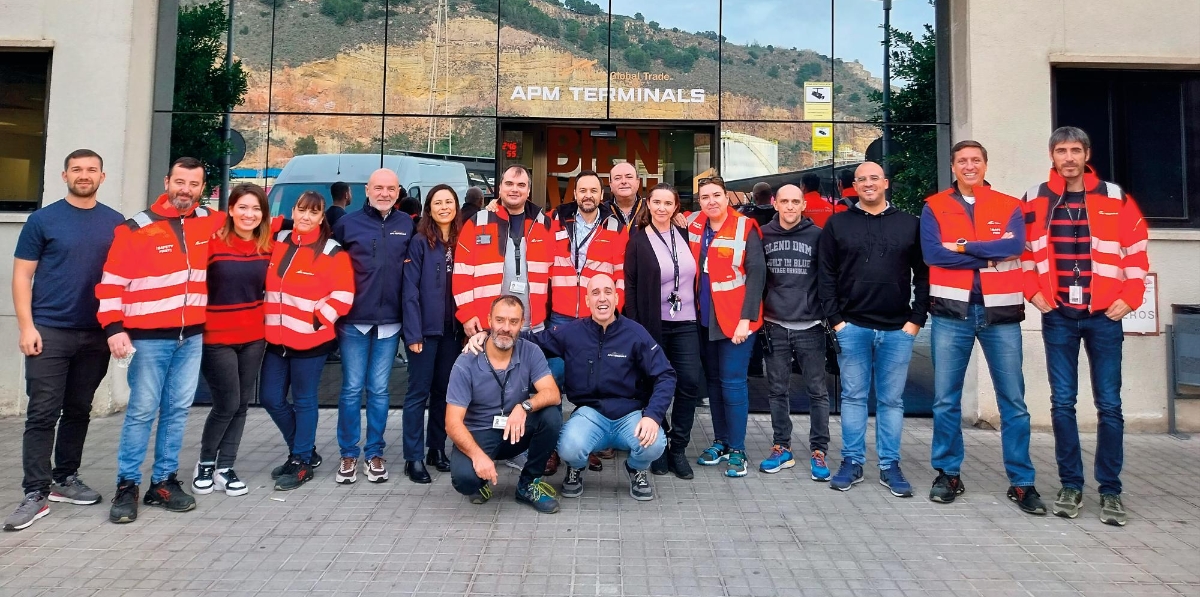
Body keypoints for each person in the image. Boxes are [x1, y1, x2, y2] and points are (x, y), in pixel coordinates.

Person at [1021, 126, 1149, 527]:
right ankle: (1071, 485)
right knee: (1062, 403)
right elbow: (1022, 252)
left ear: (1086, 154)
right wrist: (1033, 292)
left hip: (1103, 315)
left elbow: (1137, 252)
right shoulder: (1036, 198)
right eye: (1062, 150)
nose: (1069, 157)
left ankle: (1110, 491)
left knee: (1109, 405)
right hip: (1058, 314)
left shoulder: (1115, 197)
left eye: (1076, 150)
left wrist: (1131, 298)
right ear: (1052, 155)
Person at [97, 157, 226, 524]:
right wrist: (113, 327)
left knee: (177, 411)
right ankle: (127, 485)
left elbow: (252, 221)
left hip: (191, 337)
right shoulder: (135, 228)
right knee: (141, 411)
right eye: (180, 182)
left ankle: (164, 482)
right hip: (149, 339)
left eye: (194, 185)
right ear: (168, 181)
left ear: (203, 189)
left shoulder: (207, 221)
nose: (186, 190)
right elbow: (111, 283)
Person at [467, 275, 675, 501]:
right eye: (595, 293)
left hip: (630, 416)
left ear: (617, 297)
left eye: (607, 292)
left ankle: (636, 468)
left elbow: (666, 374)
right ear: (587, 301)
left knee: (655, 444)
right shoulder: (573, 332)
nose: (602, 298)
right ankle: (576, 467)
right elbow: (531, 341)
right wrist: (487, 336)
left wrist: (653, 416)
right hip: (590, 414)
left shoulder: (636, 334)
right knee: (568, 446)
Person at [921, 141, 1044, 515]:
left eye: (976, 160)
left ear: (986, 164)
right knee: (945, 399)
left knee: (1014, 402)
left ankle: (1022, 482)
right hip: (950, 313)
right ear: (953, 166)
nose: (969, 166)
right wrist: (986, 253)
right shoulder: (934, 206)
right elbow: (932, 254)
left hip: (1000, 315)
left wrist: (960, 247)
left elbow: (1016, 247)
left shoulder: (1010, 206)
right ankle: (948, 474)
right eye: (962, 161)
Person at [4, 150, 124, 532]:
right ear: (64, 175)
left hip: (95, 333)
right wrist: (27, 327)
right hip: (50, 330)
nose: (84, 175)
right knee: (42, 412)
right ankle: (35, 492)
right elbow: (22, 276)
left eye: (91, 170)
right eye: (77, 170)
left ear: (102, 177)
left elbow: (124, 279)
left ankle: (65, 479)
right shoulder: (43, 220)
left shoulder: (116, 223)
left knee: (78, 409)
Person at [818, 161, 929, 498]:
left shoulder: (910, 225)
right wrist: (836, 320)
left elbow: (924, 276)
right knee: (852, 397)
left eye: (873, 179)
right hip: (852, 327)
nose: (868, 184)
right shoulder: (837, 225)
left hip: (898, 330)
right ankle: (852, 462)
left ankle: (889, 465)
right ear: (855, 186)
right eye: (861, 179)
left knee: (891, 401)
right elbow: (826, 276)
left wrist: (916, 320)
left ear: (885, 183)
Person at [261, 191, 354, 491]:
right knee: (270, 398)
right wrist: (281, 221)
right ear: (294, 210)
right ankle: (304, 450)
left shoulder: (331, 251)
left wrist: (316, 319)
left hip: (311, 340)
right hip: (277, 339)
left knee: (304, 402)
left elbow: (344, 295)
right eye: (301, 210)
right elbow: (260, 220)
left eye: (313, 213)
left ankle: (300, 460)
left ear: (322, 216)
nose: (306, 217)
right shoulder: (280, 240)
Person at [192, 183, 281, 498]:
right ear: (229, 210)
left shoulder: (267, 246)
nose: (249, 214)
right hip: (217, 337)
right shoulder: (212, 245)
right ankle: (204, 463)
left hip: (254, 336)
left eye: (256, 209)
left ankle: (225, 467)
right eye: (243, 207)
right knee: (226, 402)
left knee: (241, 404)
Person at [332, 168, 413, 485]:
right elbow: (328, 268)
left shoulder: (406, 224)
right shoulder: (346, 224)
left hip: (391, 323)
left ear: (397, 192)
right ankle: (348, 454)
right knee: (352, 389)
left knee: (379, 391)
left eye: (391, 188)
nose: (384, 193)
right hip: (353, 322)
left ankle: (375, 453)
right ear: (366, 190)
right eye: (378, 188)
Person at [445, 296, 563, 514]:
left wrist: (524, 407)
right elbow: (452, 423)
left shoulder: (530, 351)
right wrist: (478, 456)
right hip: (479, 433)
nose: (505, 328)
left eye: (513, 321)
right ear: (489, 320)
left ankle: (528, 484)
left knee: (551, 416)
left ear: (522, 323)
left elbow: (553, 394)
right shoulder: (466, 361)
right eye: (500, 320)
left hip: (516, 428)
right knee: (465, 480)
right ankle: (480, 482)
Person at [624, 183, 704, 480]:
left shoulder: (685, 233)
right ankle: (656, 444)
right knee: (653, 385)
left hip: (685, 322)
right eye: (656, 202)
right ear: (648, 204)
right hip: (651, 324)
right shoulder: (637, 240)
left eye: (667, 203)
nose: (661, 208)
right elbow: (630, 286)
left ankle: (678, 448)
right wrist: (635, 327)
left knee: (689, 384)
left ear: (676, 207)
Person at [688, 176, 766, 478]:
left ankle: (738, 449)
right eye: (705, 197)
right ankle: (720, 442)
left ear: (727, 197)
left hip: (737, 322)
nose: (711, 201)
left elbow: (757, 275)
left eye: (716, 195)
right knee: (715, 384)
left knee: (733, 384)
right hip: (705, 319)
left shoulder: (745, 227)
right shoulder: (696, 226)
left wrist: (746, 320)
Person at [758, 184, 832, 482]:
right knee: (777, 390)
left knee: (818, 391)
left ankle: (819, 450)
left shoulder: (817, 236)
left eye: (795, 202)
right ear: (775, 203)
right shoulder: (762, 234)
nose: (790, 207)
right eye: (784, 201)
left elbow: (829, 277)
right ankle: (782, 446)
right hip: (775, 324)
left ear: (804, 205)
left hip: (811, 326)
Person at [401, 184, 464, 484]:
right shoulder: (419, 242)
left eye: (448, 202)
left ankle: (436, 449)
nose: (443, 207)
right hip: (424, 333)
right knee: (417, 394)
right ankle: (412, 457)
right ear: (429, 208)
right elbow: (410, 291)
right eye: (437, 202)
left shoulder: (462, 240)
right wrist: (412, 334)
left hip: (453, 332)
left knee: (443, 394)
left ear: (456, 206)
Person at [453, 165, 553, 337]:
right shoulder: (477, 223)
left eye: (521, 185)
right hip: (487, 327)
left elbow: (554, 272)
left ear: (528, 190)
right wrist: (467, 314)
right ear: (499, 188)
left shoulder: (544, 224)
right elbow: (462, 272)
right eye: (509, 183)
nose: (514, 189)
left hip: (532, 327)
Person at [606, 162, 644, 229]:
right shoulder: (602, 211)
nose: (623, 181)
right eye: (617, 178)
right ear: (610, 185)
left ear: (638, 182)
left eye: (629, 177)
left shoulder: (650, 209)